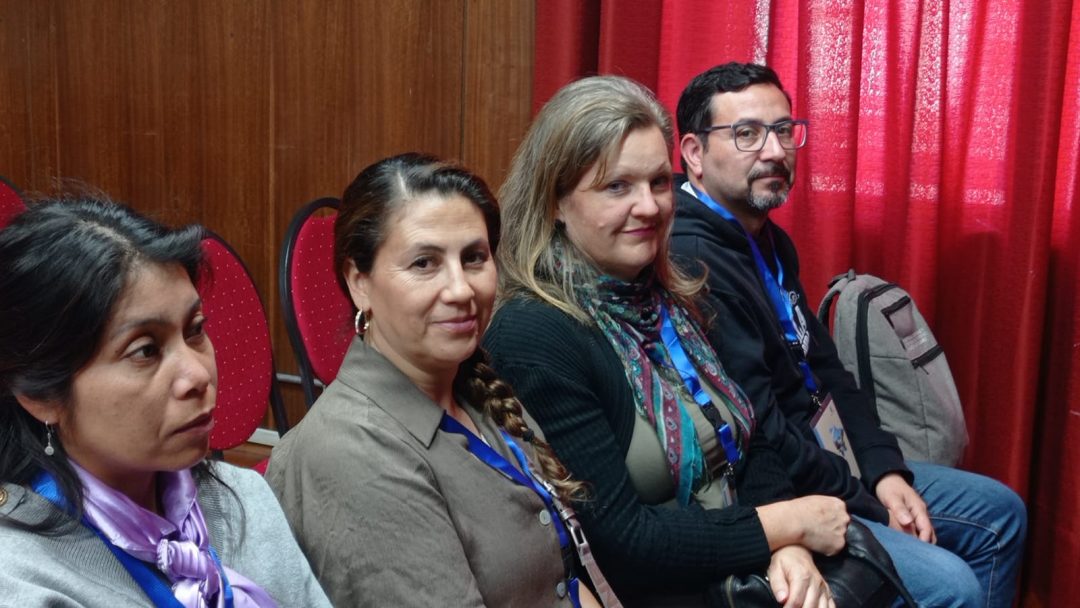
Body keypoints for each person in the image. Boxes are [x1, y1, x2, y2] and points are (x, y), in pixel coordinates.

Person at [483, 75, 855, 608]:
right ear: (555, 203)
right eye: (617, 187)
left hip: (749, 560)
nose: (650, 206)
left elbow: (750, 442)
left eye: (659, 182)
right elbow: (625, 542)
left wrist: (787, 548)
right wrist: (782, 525)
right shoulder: (535, 335)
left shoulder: (670, 294)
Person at [670, 61, 1027, 608]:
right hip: (782, 488)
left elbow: (826, 368)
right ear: (694, 153)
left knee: (1001, 514)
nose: (774, 151)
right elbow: (758, 428)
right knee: (951, 584)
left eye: (783, 130)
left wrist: (884, 470)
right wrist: (866, 499)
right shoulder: (694, 260)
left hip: (834, 462)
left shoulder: (767, 240)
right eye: (747, 134)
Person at [266, 153, 610, 608]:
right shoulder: (350, 452)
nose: (461, 289)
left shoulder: (474, 391)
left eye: (474, 258)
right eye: (424, 263)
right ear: (359, 283)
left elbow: (563, 577)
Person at [0, 198, 330, 607]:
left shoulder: (241, 497)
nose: (198, 375)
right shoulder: (22, 581)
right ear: (41, 394)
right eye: (145, 351)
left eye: (195, 330)